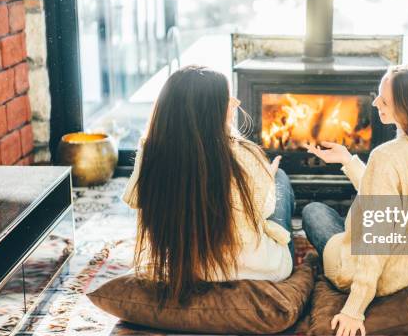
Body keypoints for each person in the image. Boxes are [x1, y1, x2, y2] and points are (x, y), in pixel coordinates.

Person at [302, 65, 408, 336]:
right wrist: (348, 160)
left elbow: (377, 238)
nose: (376, 102)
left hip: (384, 276)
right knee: (343, 222)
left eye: (384, 100)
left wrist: (354, 308)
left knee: (314, 212)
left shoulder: (386, 156)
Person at [122, 65, 295, 305]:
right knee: (282, 182)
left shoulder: (150, 150)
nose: (234, 102)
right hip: (254, 271)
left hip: (181, 269)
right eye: (226, 99)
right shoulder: (244, 155)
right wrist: (267, 174)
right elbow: (263, 213)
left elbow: (138, 199)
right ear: (211, 111)